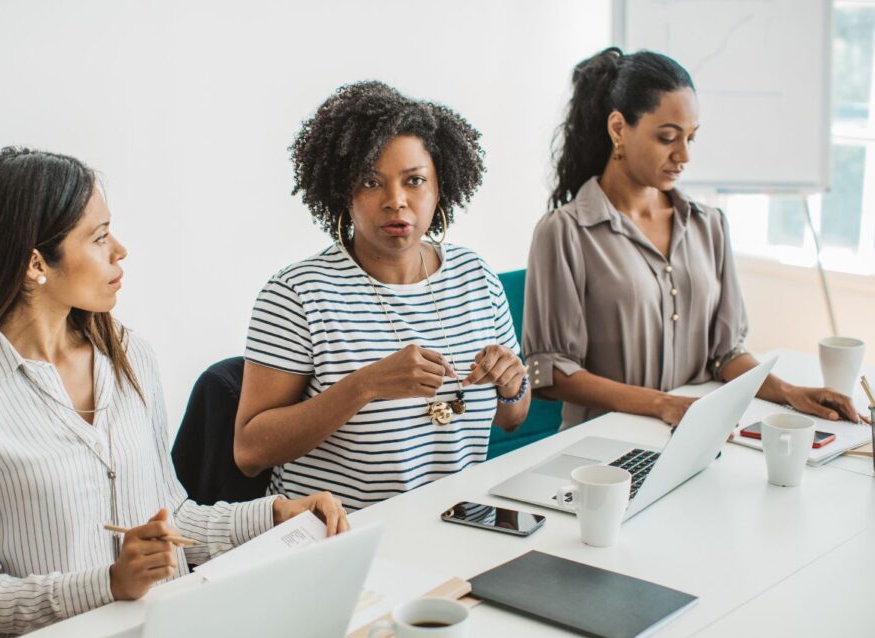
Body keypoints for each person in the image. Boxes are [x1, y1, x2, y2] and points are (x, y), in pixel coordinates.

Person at [0, 148, 348, 638]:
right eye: (99, 237)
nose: (120, 251)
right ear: (34, 264)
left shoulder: (130, 356)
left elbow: (174, 517)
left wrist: (277, 514)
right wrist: (110, 583)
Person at [525, 47, 866, 429]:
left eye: (691, 137)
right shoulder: (565, 232)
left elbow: (724, 355)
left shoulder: (710, 225)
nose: (683, 155)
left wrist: (789, 392)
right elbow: (552, 373)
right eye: (668, 137)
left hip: (695, 433)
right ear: (619, 128)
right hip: (602, 449)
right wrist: (661, 404)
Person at [234, 81, 530, 512]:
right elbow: (248, 453)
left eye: (414, 181)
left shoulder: (476, 278)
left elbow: (511, 417)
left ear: (439, 188)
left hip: (457, 531)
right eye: (371, 182)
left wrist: (512, 384)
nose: (396, 201)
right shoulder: (297, 296)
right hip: (342, 543)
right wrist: (366, 385)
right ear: (343, 193)